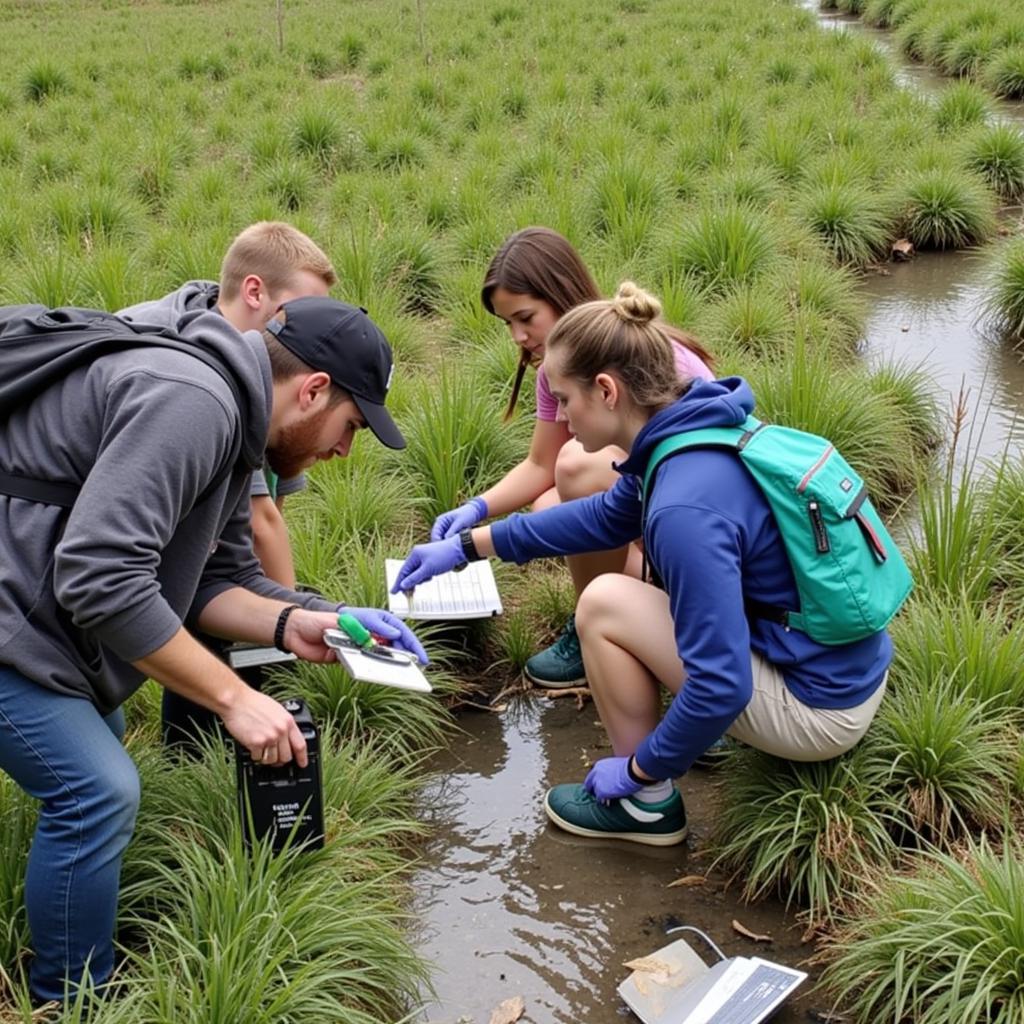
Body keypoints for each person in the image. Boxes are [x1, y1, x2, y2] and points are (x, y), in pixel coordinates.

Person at [0, 295, 426, 1006]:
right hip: (14, 618)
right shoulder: (194, 403)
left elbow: (217, 582)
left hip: (34, 606)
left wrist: (311, 622)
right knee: (97, 791)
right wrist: (234, 699)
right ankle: (71, 1000)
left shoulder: (235, 420)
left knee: (99, 738)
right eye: (351, 426)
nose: (344, 450)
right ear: (314, 388)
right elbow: (99, 577)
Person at [393, 282, 891, 847]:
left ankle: (645, 807)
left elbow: (721, 686)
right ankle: (686, 752)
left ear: (606, 391)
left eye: (565, 398)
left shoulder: (684, 504)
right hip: (843, 666)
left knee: (605, 606)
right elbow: (603, 518)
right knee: (625, 594)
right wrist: (468, 545)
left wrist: (639, 768)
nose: (562, 417)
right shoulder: (700, 429)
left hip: (821, 711)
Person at [429, 227, 715, 688]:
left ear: (561, 295)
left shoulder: (652, 357)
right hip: (644, 502)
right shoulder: (558, 368)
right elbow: (539, 465)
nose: (518, 336)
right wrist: (475, 510)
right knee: (552, 500)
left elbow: (705, 476)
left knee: (576, 468)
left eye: (526, 317)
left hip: (696, 513)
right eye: (508, 324)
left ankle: (615, 629)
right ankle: (619, 614)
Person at [118, 220, 338, 590]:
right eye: (299, 312)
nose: (310, 329)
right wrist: (291, 627)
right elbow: (260, 523)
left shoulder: (266, 359)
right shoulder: (198, 373)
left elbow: (274, 491)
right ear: (254, 292)